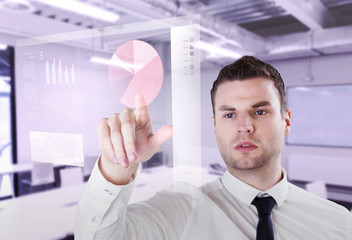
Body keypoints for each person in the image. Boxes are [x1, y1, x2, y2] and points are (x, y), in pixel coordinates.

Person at [75, 56, 352, 239]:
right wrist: (117, 163)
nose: (244, 126)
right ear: (215, 125)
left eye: (260, 112)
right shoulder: (180, 209)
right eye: (229, 114)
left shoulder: (338, 222)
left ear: (286, 121)